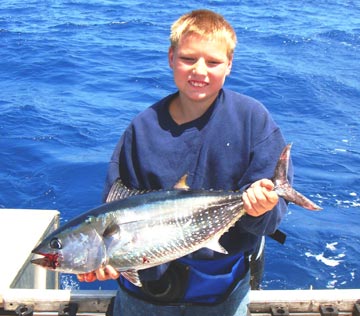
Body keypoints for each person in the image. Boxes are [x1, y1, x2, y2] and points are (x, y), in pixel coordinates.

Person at [77, 9, 292, 316]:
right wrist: (103, 261)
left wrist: (262, 205)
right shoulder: (142, 130)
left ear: (229, 65)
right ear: (171, 58)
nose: (200, 71)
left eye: (214, 62)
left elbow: (269, 221)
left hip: (221, 293)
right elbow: (115, 210)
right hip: (146, 293)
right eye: (188, 59)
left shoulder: (253, 121)